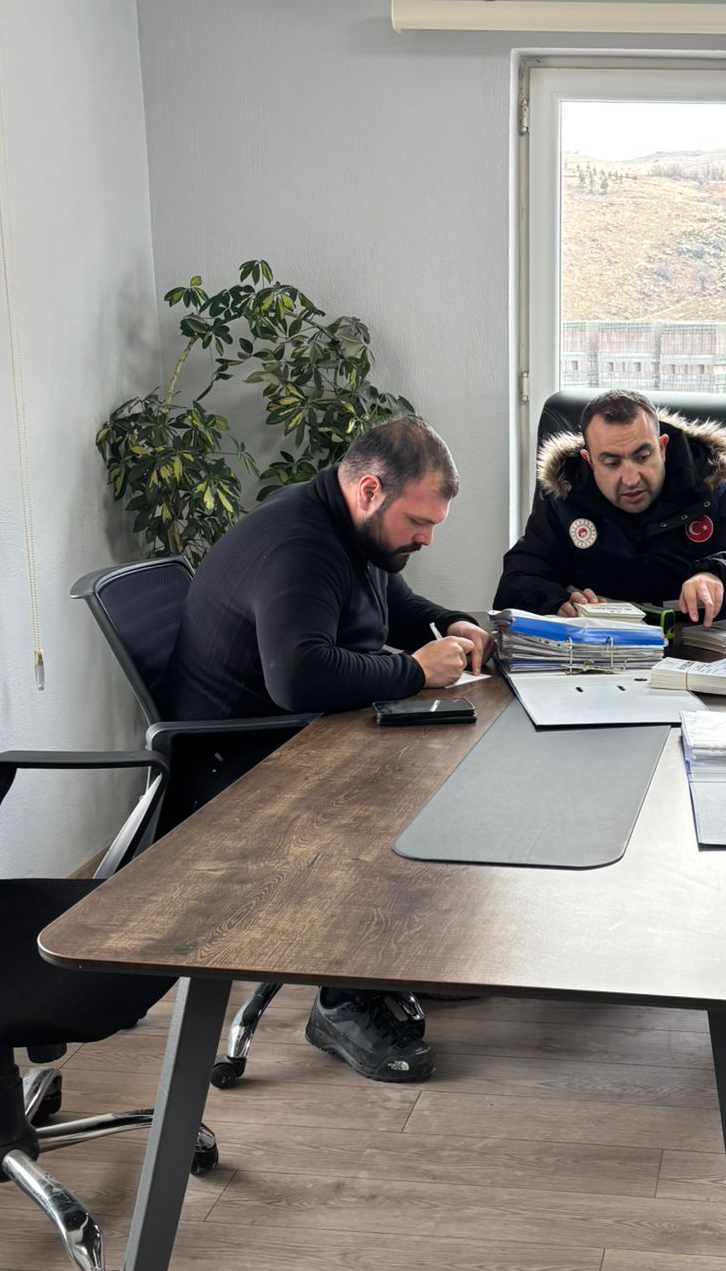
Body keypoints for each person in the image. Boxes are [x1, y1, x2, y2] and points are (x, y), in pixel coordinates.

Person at [163, 415, 490, 1084]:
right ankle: (342, 1002)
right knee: (406, 790)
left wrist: (450, 622)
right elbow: (299, 676)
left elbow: (392, 604)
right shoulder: (299, 545)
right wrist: (413, 670)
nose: (426, 538)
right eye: (418, 522)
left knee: (452, 762)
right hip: (242, 766)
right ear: (370, 491)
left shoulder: (351, 530)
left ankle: (390, 959)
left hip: (298, 738)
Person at [495, 389, 726, 625]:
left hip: (696, 651)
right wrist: (557, 603)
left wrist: (715, 574)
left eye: (642, 457)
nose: (631, 479)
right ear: (589, 461)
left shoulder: (710, 482)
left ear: (662, 448)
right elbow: (516, 581)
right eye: (612, 463)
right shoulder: (565, 494)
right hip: (600, 652)